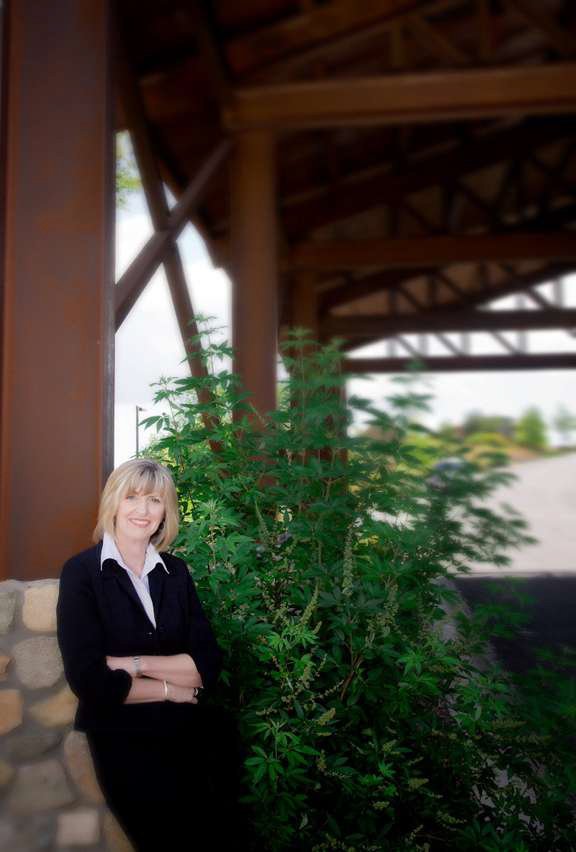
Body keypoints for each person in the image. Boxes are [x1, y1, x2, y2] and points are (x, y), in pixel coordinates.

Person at [56, 458, 231, 851]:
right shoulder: (82, 573)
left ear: (166, 511)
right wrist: (172, 689)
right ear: (113, 503)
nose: (143, 510)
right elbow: (91, 682)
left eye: (155, 500)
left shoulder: (176, 572)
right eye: (132, 497)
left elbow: (206, 665)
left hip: (190, 736)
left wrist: (134, 665)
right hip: (123, 740)